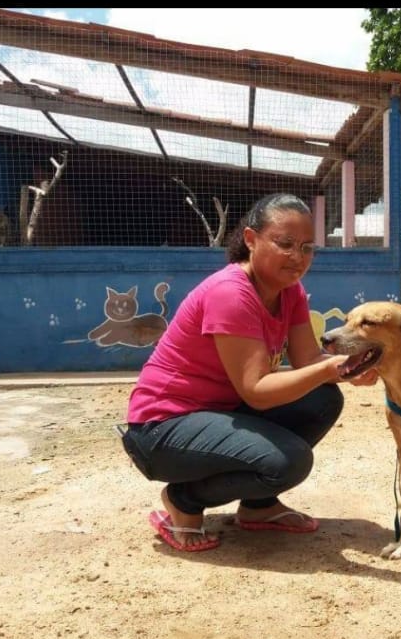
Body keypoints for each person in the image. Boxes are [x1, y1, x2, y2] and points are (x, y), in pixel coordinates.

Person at [124, 193, 372, 552]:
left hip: (218, 412)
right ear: (251, 240)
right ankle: (183, 501)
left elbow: (307, 361)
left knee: (321, 399)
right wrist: (330, 368)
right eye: (284, 244)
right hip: (162, 428)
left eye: (306, 247)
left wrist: (350, 366)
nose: (297, 257)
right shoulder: (231, 293)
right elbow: (256, 389)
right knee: (288, 461)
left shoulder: (290, 292)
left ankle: (260, 507)